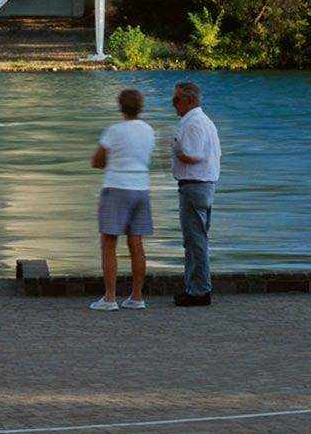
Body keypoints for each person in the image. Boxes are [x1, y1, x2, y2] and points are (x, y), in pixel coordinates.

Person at [90, 88, 156, 311]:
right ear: (140, 107)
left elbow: (98, 160)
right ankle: (137, 296)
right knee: (136, 243)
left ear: (120, 107)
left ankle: (110, 297)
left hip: (116, 187)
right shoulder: (148, 130)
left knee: (109, 242)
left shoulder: (114, 131)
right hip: (141, 188)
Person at [168, 81, 221, 308]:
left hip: (193, 186)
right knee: (197, 239)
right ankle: (194, 287)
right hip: (205, 185)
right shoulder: (207, 122)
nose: (173, 105)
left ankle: (199, 290)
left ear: (191, 100)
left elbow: (193, 155)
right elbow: (217, 156)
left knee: (195, 241)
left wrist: (176, 150)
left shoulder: (192, 124)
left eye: (176, 100)